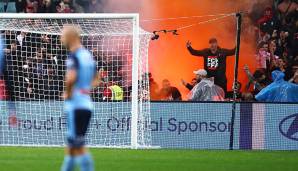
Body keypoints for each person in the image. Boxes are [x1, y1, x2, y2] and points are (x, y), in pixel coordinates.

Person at [60, 25, 98, 171]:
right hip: (86, 103)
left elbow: (70, 79)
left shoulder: (74, 56)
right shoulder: (87, 55)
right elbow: (96, 79)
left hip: (75, 105)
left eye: (63, 35)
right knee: (71, 146)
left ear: (71, 37)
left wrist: (69, 94)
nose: (61, 38)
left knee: (78, 146)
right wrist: (84, 89)